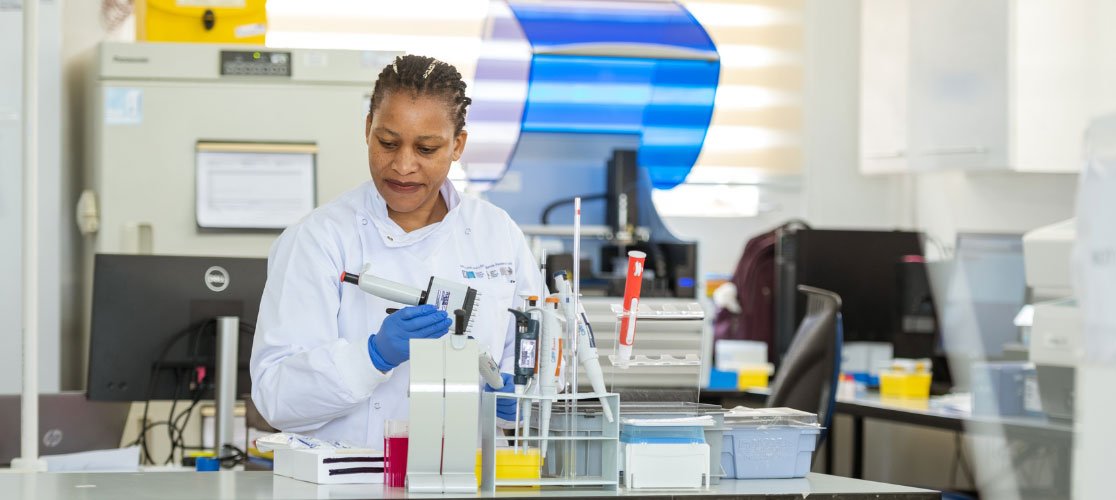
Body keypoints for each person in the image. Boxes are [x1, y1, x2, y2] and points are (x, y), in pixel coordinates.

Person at [250, 55, 542, 447]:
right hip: (350, 481)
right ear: (368, 129)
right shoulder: (319, 238)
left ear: (457, 145)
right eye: (388, 143)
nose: (403, 166)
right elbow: (276, 398)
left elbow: (535, 355)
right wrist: (372, 357)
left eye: (426, 149)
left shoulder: (497, 233)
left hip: (469, 477)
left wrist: (519, 396)